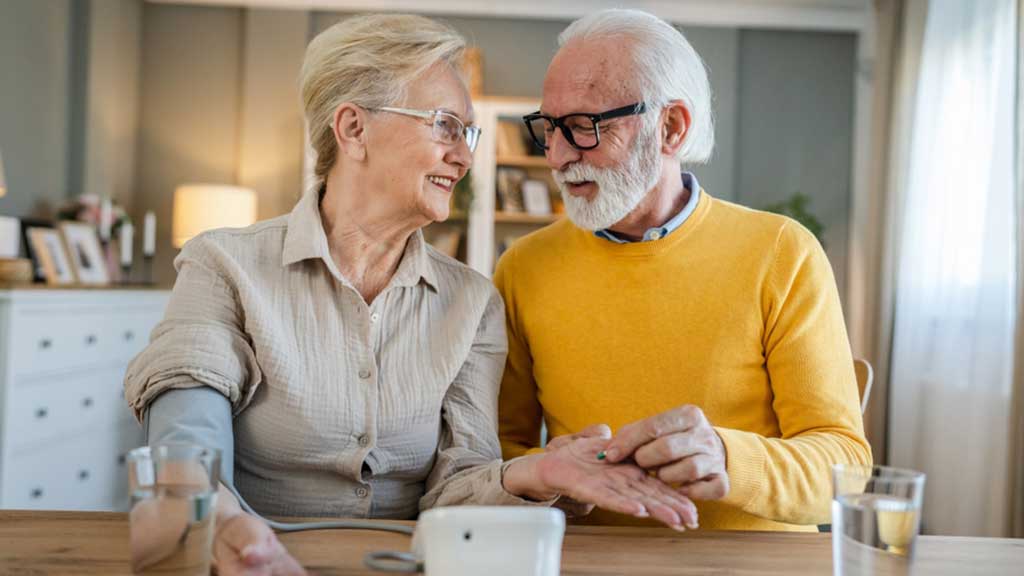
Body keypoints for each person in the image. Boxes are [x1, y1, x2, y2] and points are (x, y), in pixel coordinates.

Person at [125, 13, 695, 576]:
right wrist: (225, 526)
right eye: (444, 124)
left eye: (467, 133)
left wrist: (536, 473)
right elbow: (185, 447)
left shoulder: (472, 301)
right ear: (352, 129)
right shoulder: (223, 264)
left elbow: (456, 487)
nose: (466, 157)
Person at [496, 8, 872, 532]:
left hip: (757, 568)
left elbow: (845, 468)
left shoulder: (784, 252)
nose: (556, 156)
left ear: (670, 127)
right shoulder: (522, 267)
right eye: (548, 128)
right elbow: (495, 453)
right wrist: (544, 474)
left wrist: (726, 457)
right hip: (589, 563)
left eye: (583, 127)